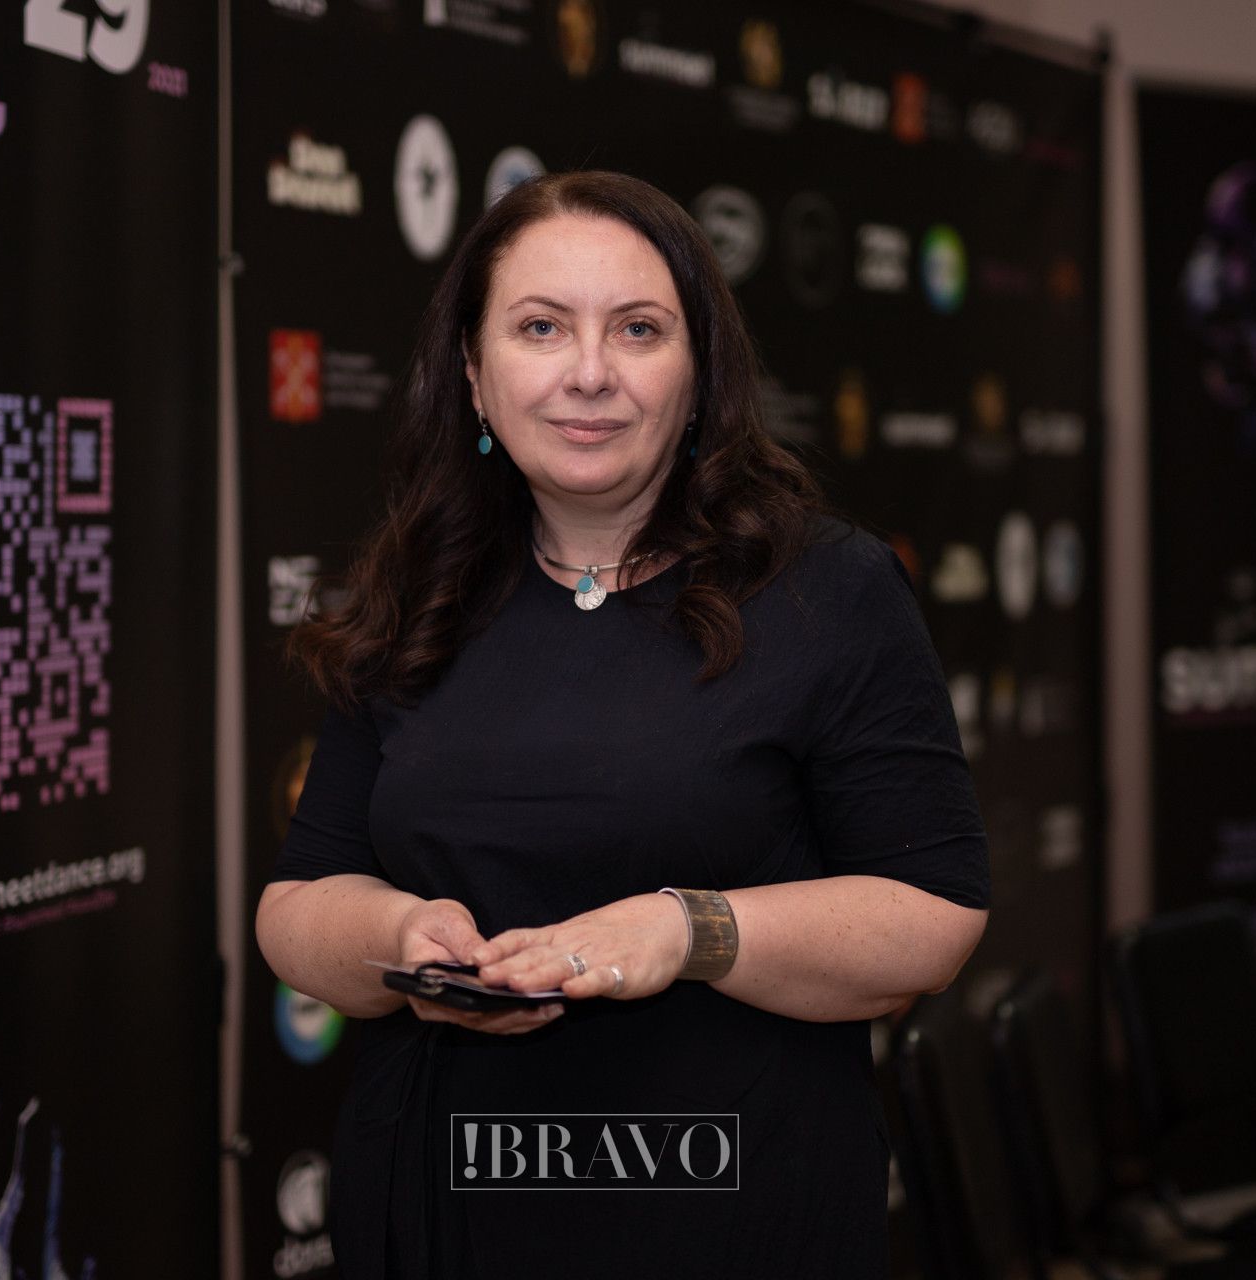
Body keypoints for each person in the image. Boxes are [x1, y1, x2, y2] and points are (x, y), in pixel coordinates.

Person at [255, 170, 989, 1279]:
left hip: (733, 1215)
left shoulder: (826, 590)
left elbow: (931, 915)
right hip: (440, 1213)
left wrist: (688, 931)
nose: (589, 372)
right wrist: (402, 934)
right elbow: (298, 906)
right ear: (473, 372)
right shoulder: (417, 591)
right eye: (540, 327)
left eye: (638, 329)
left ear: (699, 374)